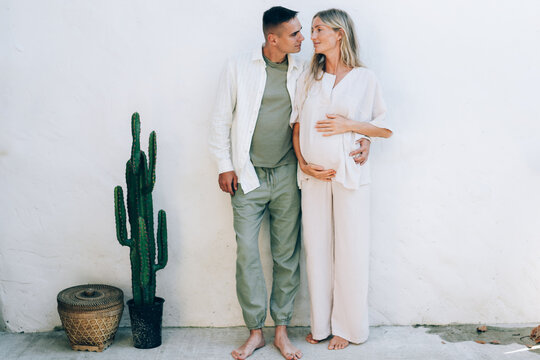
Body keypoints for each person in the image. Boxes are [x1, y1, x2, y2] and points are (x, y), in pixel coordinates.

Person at [209, 6, 309, 360]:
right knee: (248, 255)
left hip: (286, 175)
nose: (302, 38)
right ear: (273, 38)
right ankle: (255, 332)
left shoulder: (303, 69)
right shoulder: (239, 66)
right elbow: (221, 118)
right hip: (247, 176)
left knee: (286, 256)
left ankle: (280, 330)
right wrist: (225, 165)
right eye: (295, 33)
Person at [291, 8, 393, 351]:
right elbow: (297, 127)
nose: (313, 36)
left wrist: (352, 128)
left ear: (340, 34)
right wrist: (304, 164)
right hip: (314, 178)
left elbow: (384, 128)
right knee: (316, 249)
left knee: (351, 250)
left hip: (350, 175)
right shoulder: (309, 77)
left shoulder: (365, 78)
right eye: (312, 29)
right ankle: (320, 325)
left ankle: (347, 329)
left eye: (319, 29)